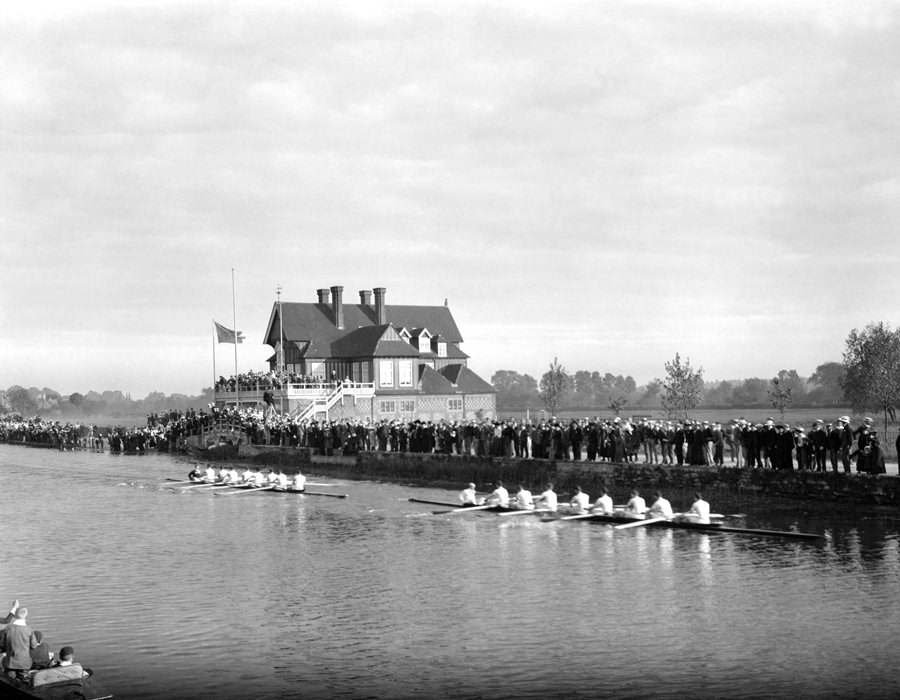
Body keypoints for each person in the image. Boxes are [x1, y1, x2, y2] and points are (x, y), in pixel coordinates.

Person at [0, 607, 38, 679]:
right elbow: (34, 646)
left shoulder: (8, 628)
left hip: (10, 662)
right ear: (26, 617)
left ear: (14, 616)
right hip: (24, 662)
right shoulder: (29, 630)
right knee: (23, 678)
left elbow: (2, 644)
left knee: (10, 678)